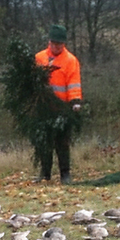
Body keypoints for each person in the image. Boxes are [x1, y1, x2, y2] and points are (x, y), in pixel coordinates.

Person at [34, 24, 82, 184]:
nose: (56, 47)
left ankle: (65, 174)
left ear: (64, 44)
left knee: (62, 143)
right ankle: (45, 174)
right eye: (54, 44)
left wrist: (75, 102)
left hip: (62, 108)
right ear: (49, 42)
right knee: (44, 142)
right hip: (43, 107)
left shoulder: (70, 60)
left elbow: (74, 83)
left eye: (59, 44)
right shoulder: (39, 58)